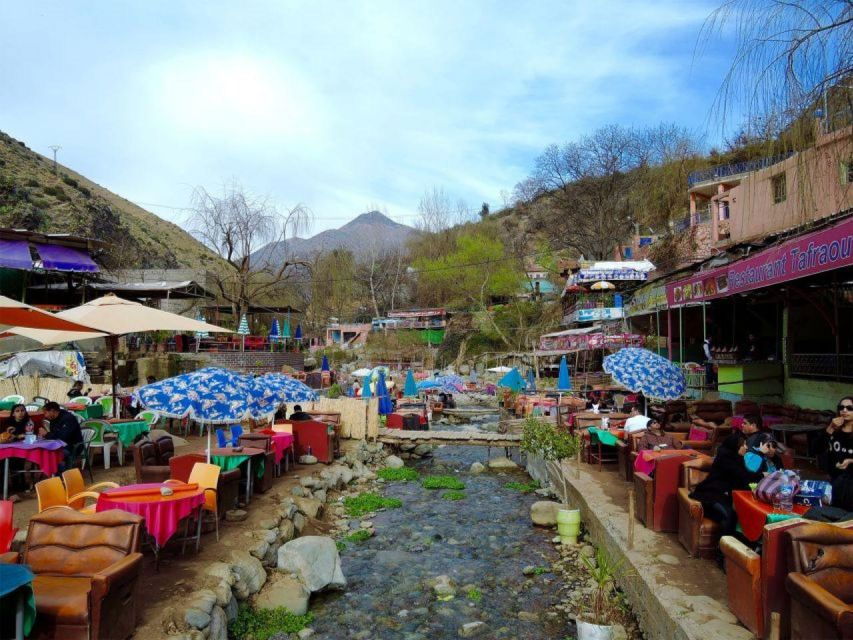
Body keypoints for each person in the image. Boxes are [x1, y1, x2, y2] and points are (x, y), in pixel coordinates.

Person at [689, 433, 764, 552]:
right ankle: (722, 553)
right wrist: (761, 476)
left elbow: (743, 480)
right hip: (710, 495)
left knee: (741, 513)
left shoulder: (737, 458)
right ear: (735, 446)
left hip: (723, 496)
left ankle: (738, 550)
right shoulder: (725, 459)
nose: (746, 447)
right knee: (729, 515)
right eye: (743, 445)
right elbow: (742, 476)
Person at [42, 401, 84, 472]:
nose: (44, 416)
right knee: (44, 452)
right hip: (59, 445)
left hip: (73, 446)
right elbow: (55, 434)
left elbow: (63, 437)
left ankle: (62, 476)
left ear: (52, 411)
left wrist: (47, 434)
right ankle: (54, 474)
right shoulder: (53, 419)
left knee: (54, 455)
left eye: (46, 413)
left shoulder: (68, 418)